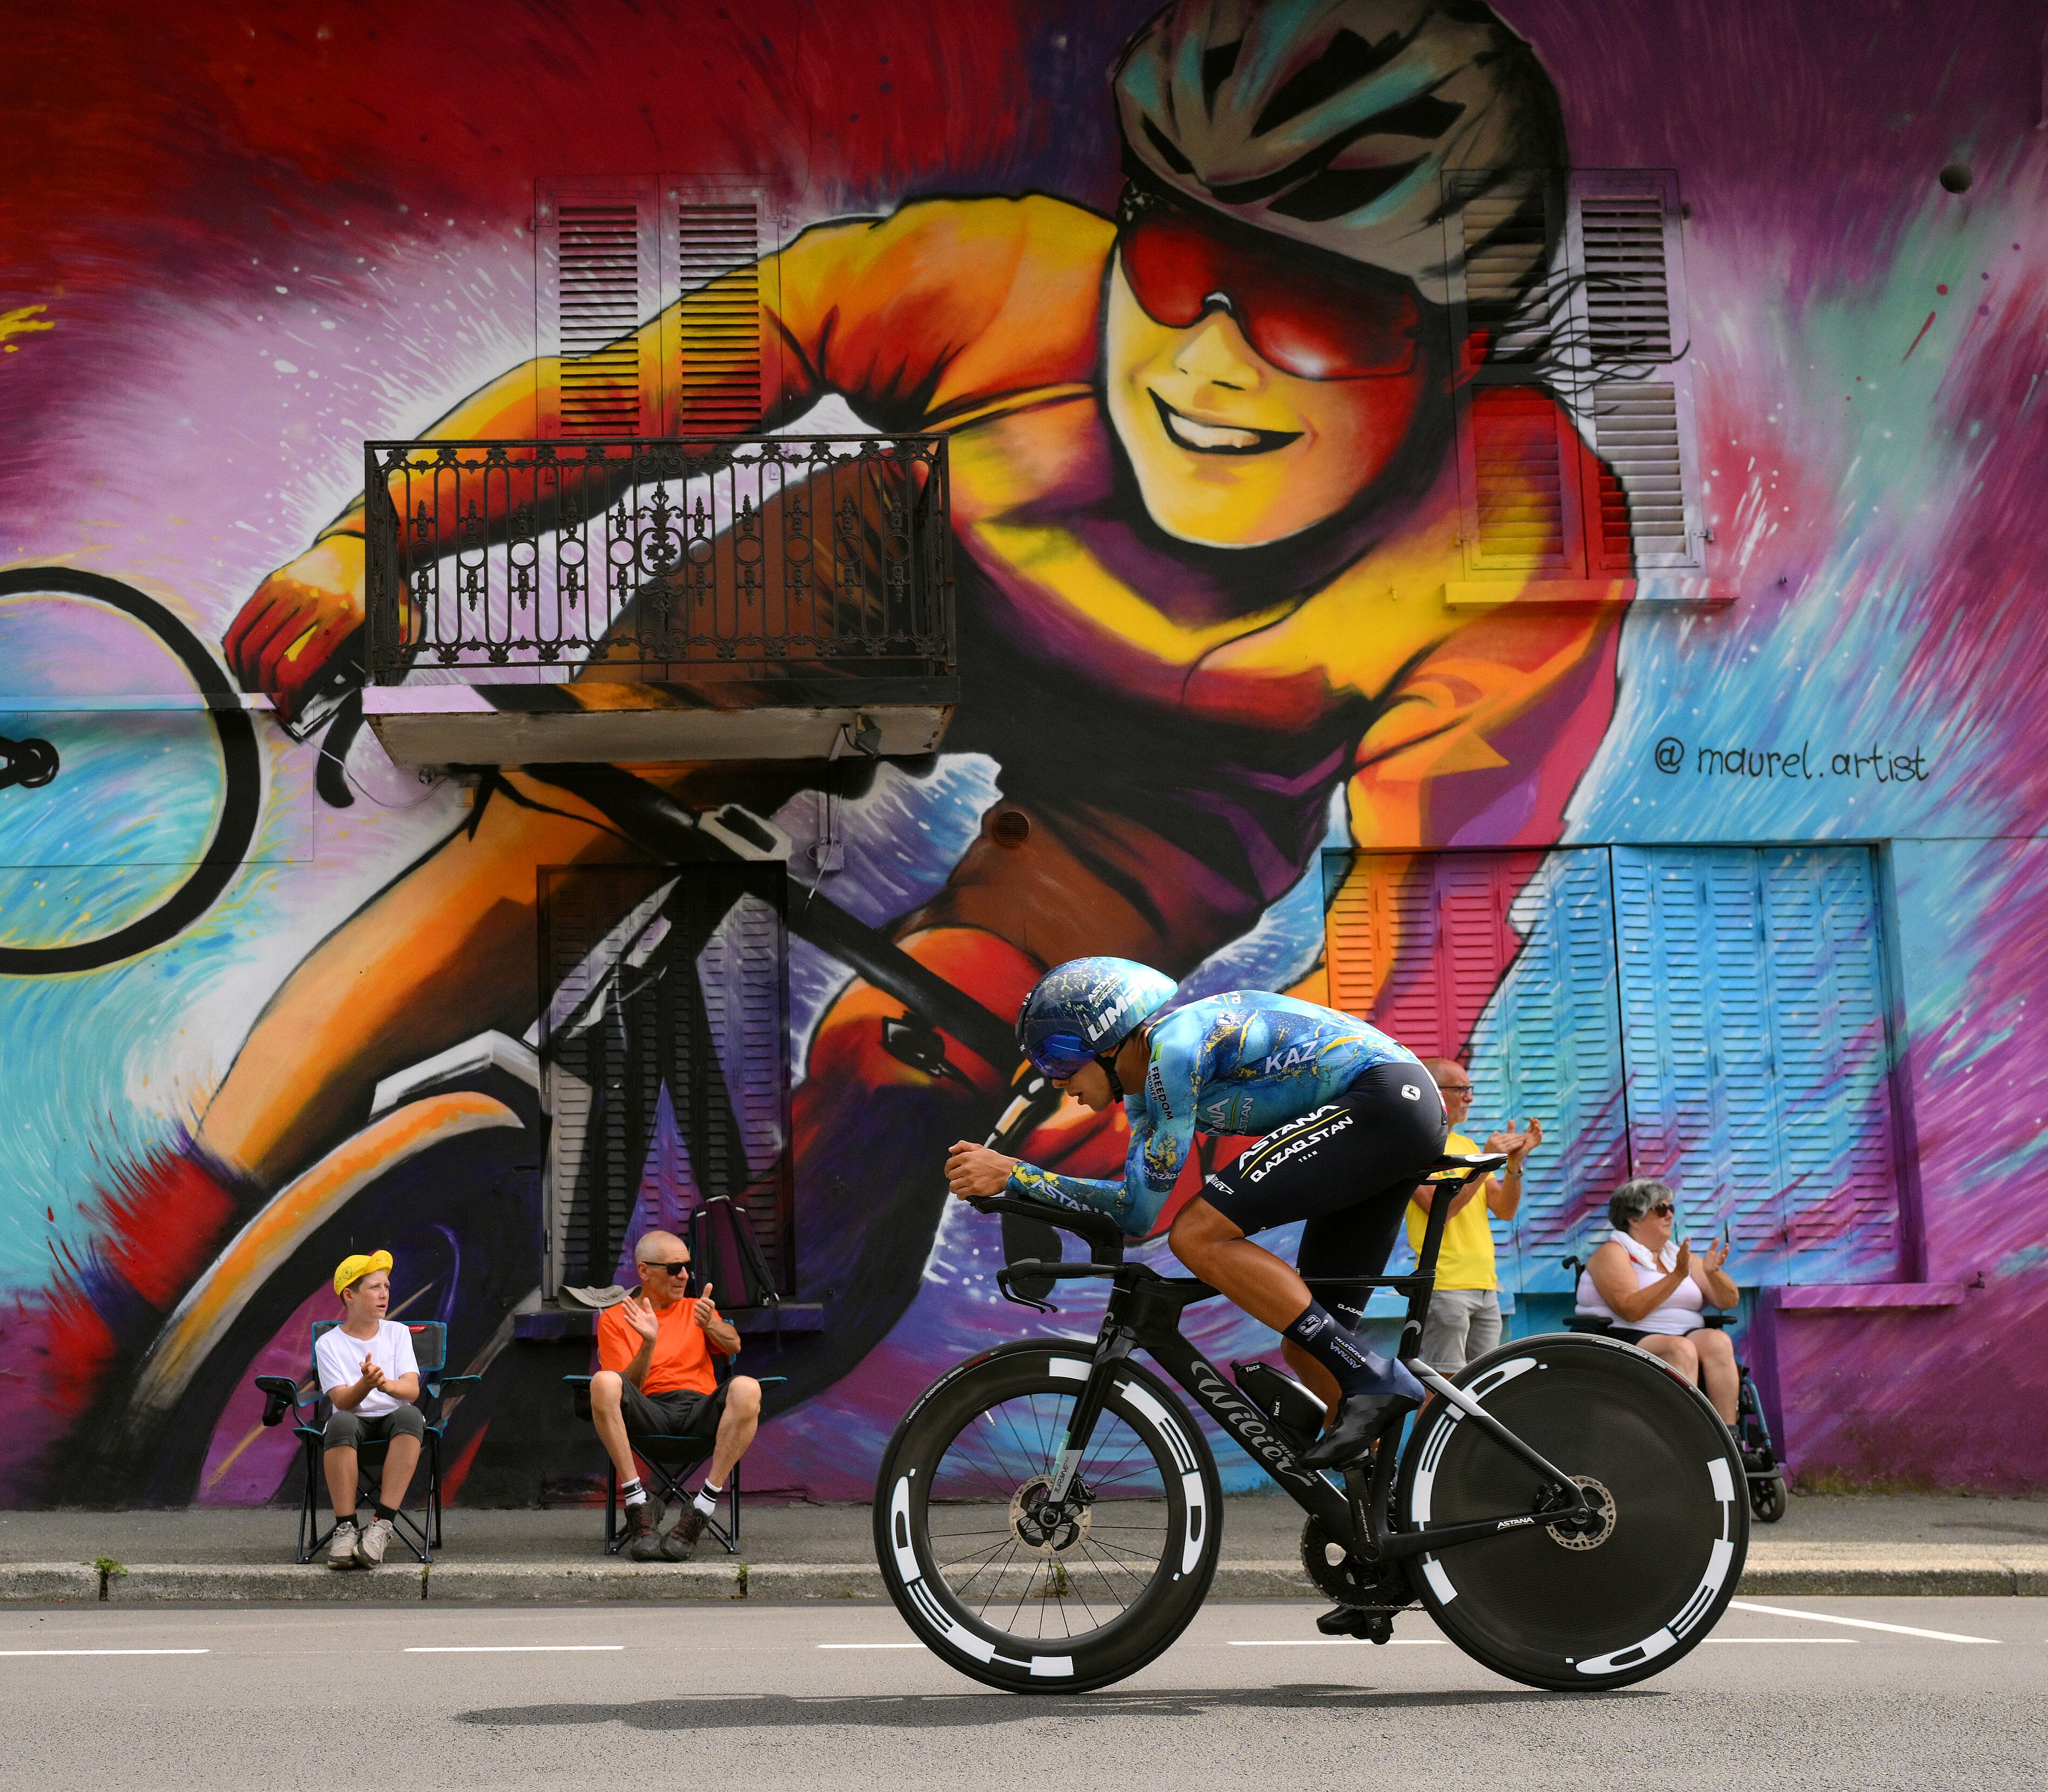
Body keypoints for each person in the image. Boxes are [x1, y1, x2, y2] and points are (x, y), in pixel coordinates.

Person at [135, 0, 1629, 1426]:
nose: (1212, 358)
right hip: (885, 578)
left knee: (896, 1056)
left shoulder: (1515, 546)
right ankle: (155, 1274)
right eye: (1177, 263)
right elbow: (634, 397)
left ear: (1465, 341)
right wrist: (358, 556)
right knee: (523, 859)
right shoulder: (983, 283)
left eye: (1316, 308)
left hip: (1175, 793)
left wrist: (1196, 1134)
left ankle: (719, 1351)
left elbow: (1418, 947)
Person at [944, 957, 1447, 1472]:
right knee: (1311, 1350)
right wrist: (1021, 1186)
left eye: (1058, 1060)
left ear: (1105, 1039)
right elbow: (1137, 1214)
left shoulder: (1175, 1051)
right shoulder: (1146, 1098)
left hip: (1387, 1102)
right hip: (1390, 1118)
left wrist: (1017, 1175)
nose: (1055, 1082)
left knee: (1199, 1234)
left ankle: (1375, 1379)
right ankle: (1414, 1490)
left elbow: (1147, 1213)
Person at [589, 1230, 761, 1563]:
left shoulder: (696, 1308)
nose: (684, 1275)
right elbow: (628, 1387)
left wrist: (711, 1324)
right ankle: (638, 1503)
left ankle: (702, 1507)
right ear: (644, 1271)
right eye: (673, 1268)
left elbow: (734, 1346)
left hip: (699, 1412)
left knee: (748, 1387)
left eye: (686, 1267)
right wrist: (649, 1343)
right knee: (604, 1382)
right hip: (648, 1412)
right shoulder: (615, 1318)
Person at [1401, 1058, 1542, 1377]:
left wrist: (1513, 1165)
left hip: (1484, 1285)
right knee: (1442, 1387)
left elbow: (1504, 1210)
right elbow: (1442, 1211)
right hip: (1445, 1285)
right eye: (1462, 1090)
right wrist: (1483, 1167)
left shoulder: (1466, 1144)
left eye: (1470, 1089)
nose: (1470, 1098)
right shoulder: (1417, 1145)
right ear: (1434, 1093)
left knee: (1483, 1389)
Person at [1576, 1179, 1742, 1423]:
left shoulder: (1676, 1254)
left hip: (1682, 1333)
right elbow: (1631, 1309)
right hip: (1626, 1337)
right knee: (1679, 1348)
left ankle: (1730, 1436)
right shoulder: (1612, 1253)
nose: (1670, 1216)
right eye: (1661, 1210)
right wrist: (1676, 1277)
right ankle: (1688, 1436)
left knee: (1718, 1341)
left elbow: (1729, 1301)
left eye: (1671, 1209)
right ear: (1634, 1218)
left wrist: (1713, 1274)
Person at [313, 1250, 425, 1568]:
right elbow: (342, 1401)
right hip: (354, 1424)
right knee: (341, 1423)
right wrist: (366, 1383)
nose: (384, 1294)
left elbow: (412, 1390)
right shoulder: (329, 1344)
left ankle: (382, 1525)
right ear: (350, 1295)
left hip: (394, 1422)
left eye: (387, 1287)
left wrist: (383, 1384)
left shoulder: (398, 1333)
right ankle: (346, 1528)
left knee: (410, 1415)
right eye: (375, 1287)